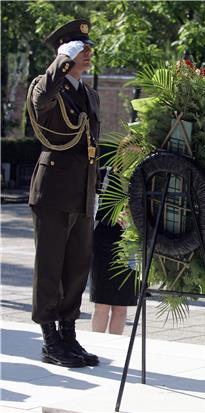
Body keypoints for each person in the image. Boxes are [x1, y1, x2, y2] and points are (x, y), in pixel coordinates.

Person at [27, 19, 100, 368]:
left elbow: (93, 145)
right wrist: (59, 63)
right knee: (49, 268)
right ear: (65, 55)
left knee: (76, 269)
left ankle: (68, 334)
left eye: (88, 50)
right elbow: (42, 103)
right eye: (80, 51)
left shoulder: (89, 93)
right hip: (53, 190)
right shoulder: (46, 85)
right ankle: (49, 339)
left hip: (83, 192)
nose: (88, 55)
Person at [90, 167, 138, 335]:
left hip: (129, 246)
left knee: (121, 306)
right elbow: (90, 204)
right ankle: (96, 346)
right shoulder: (103, 175)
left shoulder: (143, 176)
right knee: (101, 305)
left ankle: (116, 346)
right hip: (102, 241)